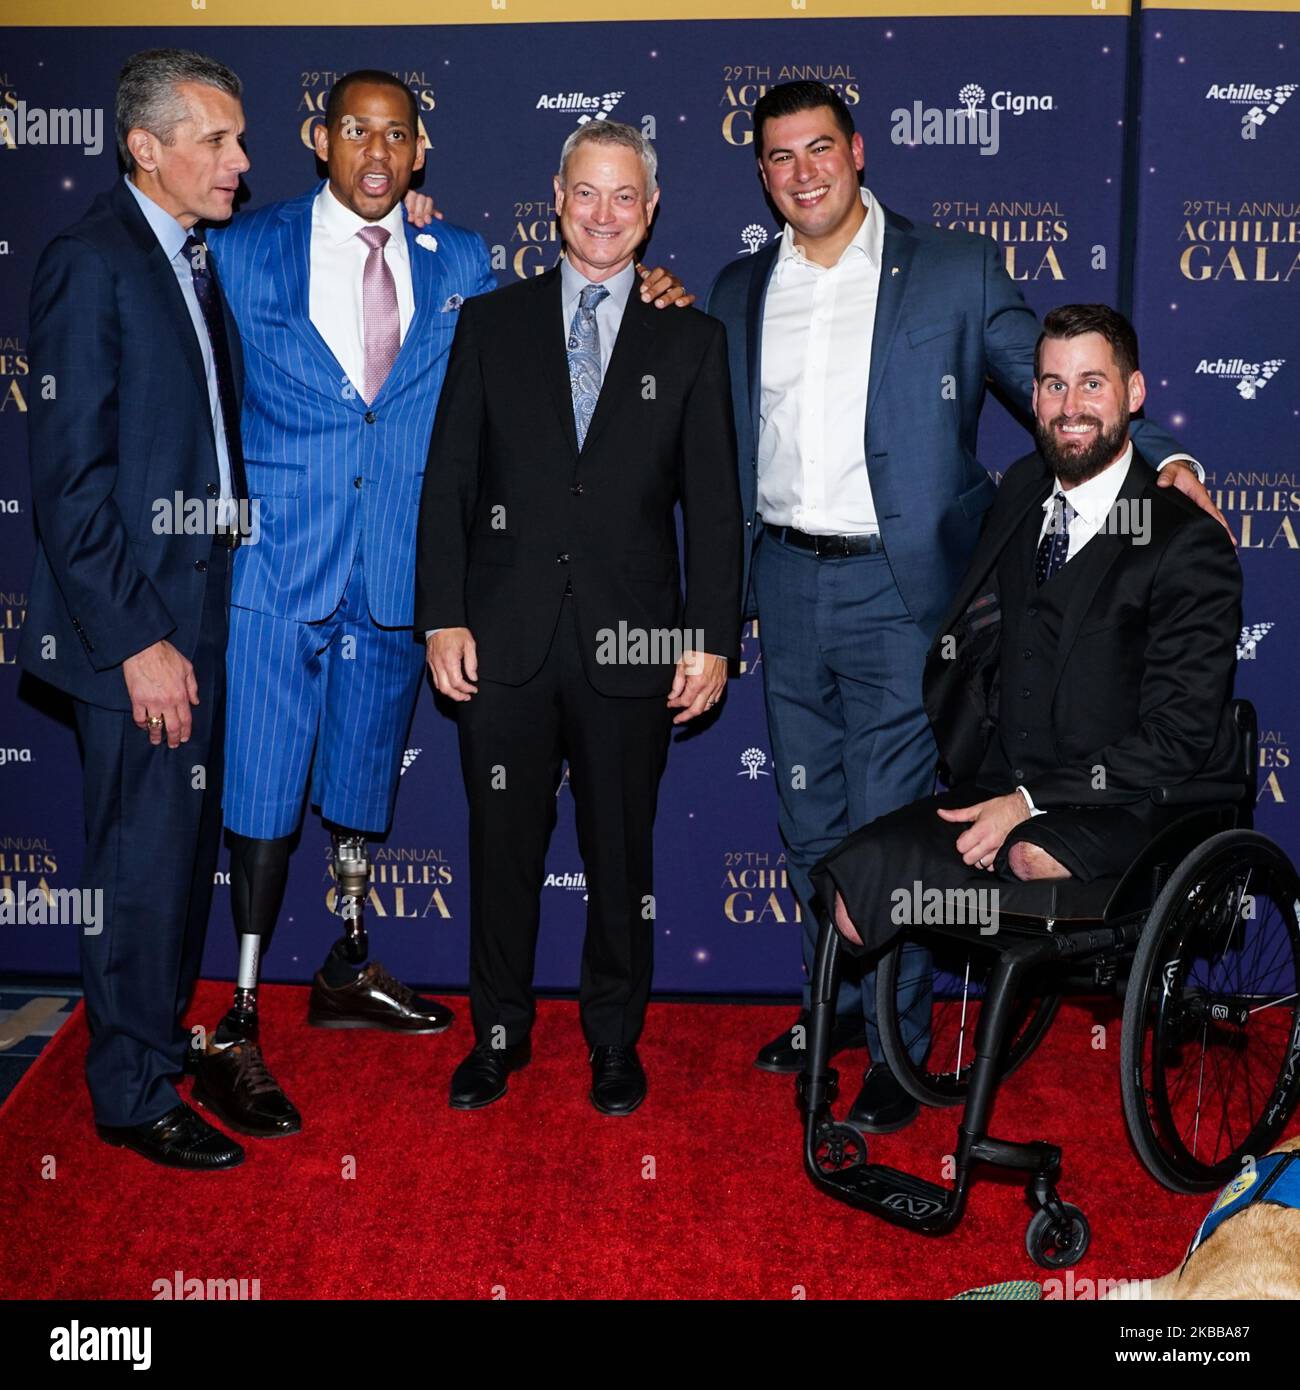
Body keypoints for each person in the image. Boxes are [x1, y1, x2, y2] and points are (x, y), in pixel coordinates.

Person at [705, 81, 1222, 1134]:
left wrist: (1165, 456)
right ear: (759, 173)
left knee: (890, 816)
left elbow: (1060, 386)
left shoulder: (951, 270)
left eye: (818, 149)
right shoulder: (735, 288)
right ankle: (837, 1010)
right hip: (784, 587)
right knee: (806, 821)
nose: (801, 172)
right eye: (777, 157)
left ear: (857, 150)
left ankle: (898, 1046)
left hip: (905, 596)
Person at [197, 74, 694, 1138]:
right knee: (299, 803)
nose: (375, 152)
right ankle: (273, 1010)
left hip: (478, 604)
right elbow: (206, 403)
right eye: (354, 131)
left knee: (414, 800)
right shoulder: (249, 250)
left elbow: (698, 478)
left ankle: (401, 977)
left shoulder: (462, 261)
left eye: (395, 136)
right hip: (305, 573)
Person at [416, 120, 742, 1114]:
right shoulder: (491, 321)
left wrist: (712, 636)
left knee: (620, 859)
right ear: (556, 199)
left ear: (650, 212)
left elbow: (716, 505)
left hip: (631, 644)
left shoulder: (688, 338)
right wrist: (440, 615)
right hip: (502, 639)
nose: (604, 215)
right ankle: (497, 1035)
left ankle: (613, 1041)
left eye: (625, 197)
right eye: (586, 193)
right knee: (500, 854)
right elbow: (448, 484)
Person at [812, 304, 1242, 976]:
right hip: (1005, 782)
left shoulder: (1185, 539)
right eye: (1052, 384)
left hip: (1130, 807)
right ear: (1032, 394)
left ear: (1133, 394)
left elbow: (1181, 734)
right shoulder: (1019, 489)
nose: (1070, 407)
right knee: (855, 893)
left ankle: (1004, 1019)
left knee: (1028, 857)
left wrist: (1030, 805)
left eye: (1092, 383)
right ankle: (883, 1071)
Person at [20, 49, 250, 1168]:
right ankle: (128, 1094)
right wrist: (138, 643)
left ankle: (157, 1046)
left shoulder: (187, 258)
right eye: (217, 141)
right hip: (139, 633)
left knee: (172, 861)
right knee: (136, 869)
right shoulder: (90, 262)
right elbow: (67, 486)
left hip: (198, 611)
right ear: (144, 148)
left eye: (240, 139)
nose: (240, 161)